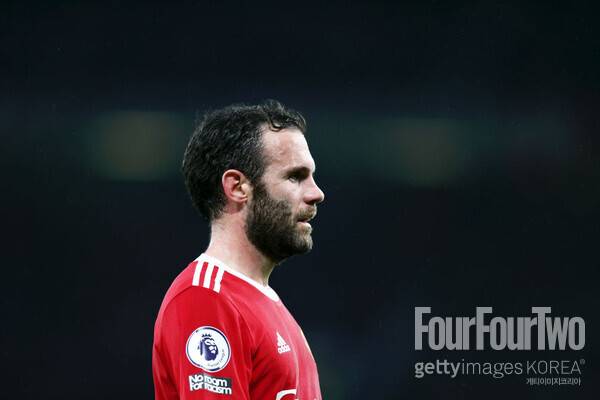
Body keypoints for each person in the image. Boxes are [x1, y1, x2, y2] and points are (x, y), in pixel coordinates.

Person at [152, 100, 325, 400]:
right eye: (295, 177)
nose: (316, 193)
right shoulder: (206, 299)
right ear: (237, 187)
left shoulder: (266, 304)